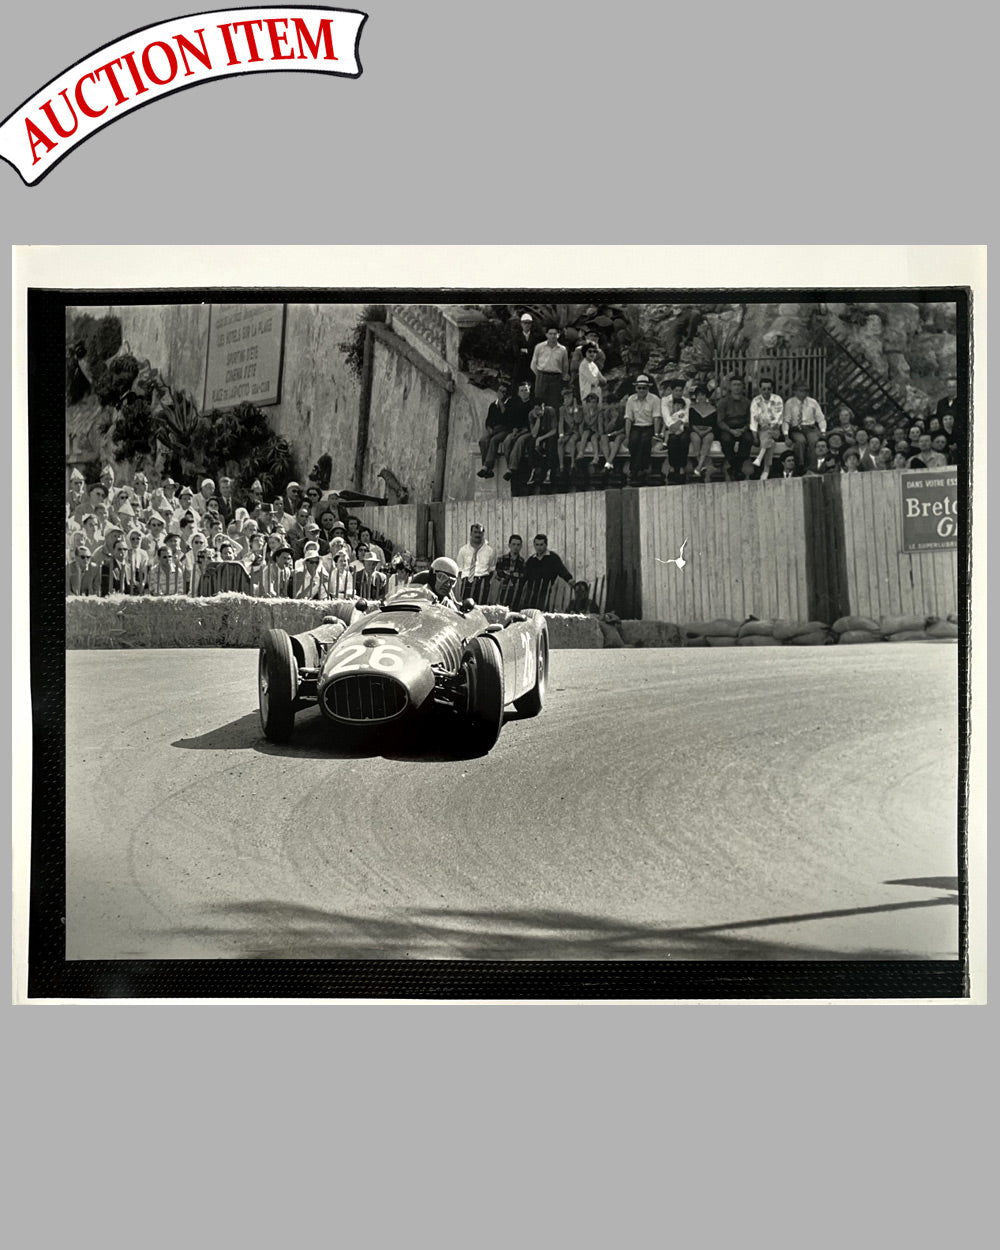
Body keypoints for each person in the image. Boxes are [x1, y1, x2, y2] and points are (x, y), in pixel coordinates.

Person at [520, 534, 573, 610]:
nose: (539, 547)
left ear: (546, 545)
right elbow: (525, 576)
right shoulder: (532, 560)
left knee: (543, 611)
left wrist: (569, 579)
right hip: (532, 592)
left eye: (541, 544)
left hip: (546, 591)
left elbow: (561, 570)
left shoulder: (553, 558)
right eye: (537, 545)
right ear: (534, 545)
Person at [623, 374, 659, 485]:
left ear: (648, 388)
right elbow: (628, 419)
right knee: (633, 442)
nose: (642, 390)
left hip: (649, 426)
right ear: (636, 388)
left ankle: (635, 471)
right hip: (636, 426)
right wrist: (627, 436)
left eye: (644, 388)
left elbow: (657, 418)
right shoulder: (631, 399)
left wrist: (656, 435)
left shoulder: (655, 399)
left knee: (644, 442)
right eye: (639, 388)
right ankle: (639, 470)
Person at [783, 379, 826, 469]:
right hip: (796, 429)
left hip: (810, 428)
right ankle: (800, 466)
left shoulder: (813, 402)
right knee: (800, 441)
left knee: (814, 441)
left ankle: (812, 465)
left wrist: (823, 431)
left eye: (806, 391)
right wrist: (786, 436)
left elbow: (821, 418)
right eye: (801, 391)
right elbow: (786, 420)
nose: (803, 393)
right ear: (795, 391)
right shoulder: (789, 403)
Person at [715, 377, 753, 480]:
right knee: (726, 440)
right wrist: (731, 430)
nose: (737, 387)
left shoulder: (747, 402)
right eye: (734, 385)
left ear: (743, 387)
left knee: (748, 439)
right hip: (728, 428)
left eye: (739, 385)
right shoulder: (723, 402)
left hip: (742, 428)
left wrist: (743, 429)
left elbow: (750, 421)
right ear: (730, 387)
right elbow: (720, 421)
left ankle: (735, 466)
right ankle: (737, 468)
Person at [749, 376, 784, 479]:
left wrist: (770, 426)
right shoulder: (756, 401)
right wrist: (755, 436)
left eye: (769, 389)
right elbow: (754, 419)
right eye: (764, 389)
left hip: (775, 429)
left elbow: (778, 416)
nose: (766, 391)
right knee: (771, 443)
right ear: (760, 389)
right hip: (762, 430)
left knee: (768, 434)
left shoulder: (777, 399)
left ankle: (760, 457)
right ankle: (766, 469)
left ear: (772, 389)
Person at [477, 380, 514, 479]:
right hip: (493, 429)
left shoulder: (510, 404)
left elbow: (507, 420)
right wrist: (489, 429)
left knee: (494, 440)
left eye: (504, 392)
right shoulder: (493, 405)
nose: (502, 393)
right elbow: (488, 420)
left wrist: (502, 405)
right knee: (483, 440)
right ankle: (486, 468)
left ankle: (487, 466)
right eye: (500, 391)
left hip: (504, 429)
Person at [530, 325, 570, 416]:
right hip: (542, 376)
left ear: (558, 335)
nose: (552, 336)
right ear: (546, 335)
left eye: (555, 334)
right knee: (539, 401)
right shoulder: (539, 347)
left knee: (553, 402)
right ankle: (539, 424)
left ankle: (552, 426)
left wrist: (563, 376)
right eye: (550, 334)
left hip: (556, 378)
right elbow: (533, 364)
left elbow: (565, 365)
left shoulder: (563, 349)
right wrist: (540, 375)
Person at [659, 378, 692, 483]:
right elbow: (666, 415)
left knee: (684, 439)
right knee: (672, 440)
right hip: (670, 426)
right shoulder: (665, 401)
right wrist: (672, 425)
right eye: (676, 390)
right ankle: (673, 467)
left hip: (682, 425)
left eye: (680, 391)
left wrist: (679, 423)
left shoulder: (686, 401)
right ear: (672, 390)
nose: (678, 393)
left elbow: (686, 415)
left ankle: (682, 467)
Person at [455, 522, 497, 602]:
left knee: (481, 606)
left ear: (483, 534)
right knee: (466, 605)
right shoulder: (463, 550)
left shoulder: (489, 551)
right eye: (475, 532)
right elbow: (459, 569)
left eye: (480, 532)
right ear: (471, 533)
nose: (477, 535)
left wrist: (487, 581)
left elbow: (492, 569)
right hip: (468, 581)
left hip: (483, 581)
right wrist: (467, 579)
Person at [524, 394, 560, 486]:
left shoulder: (551, 411)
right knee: (531, 442)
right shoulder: (531, 415)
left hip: (549, 434)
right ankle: (534, 470)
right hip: (539, 435)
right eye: (536, 409)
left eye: (540, 409)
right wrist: (538, 419)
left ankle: (550, 471)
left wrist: (540, 439)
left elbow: (554, 430)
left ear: (543, 406)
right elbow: (534, 433)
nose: (538, 411)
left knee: (552, 443)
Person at [687, 385, 718, 480]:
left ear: (706, 396)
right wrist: (698, 431)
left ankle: (699, 466)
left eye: (703, 395)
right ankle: (702, 465)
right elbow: (691, 423)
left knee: (708, 438)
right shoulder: (692, 408)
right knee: (695, 438)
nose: (700, 397)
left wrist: (705, 432)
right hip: (695, 430)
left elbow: (714, 425)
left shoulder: (713, 409)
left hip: (708, 431)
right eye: (698, 395)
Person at [510, 311, 544, 391]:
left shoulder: (536, 337)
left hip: (532, 366)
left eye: (529, 323)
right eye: (525, 323)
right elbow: (516, 352)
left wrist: (526, 350)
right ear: (521, 324)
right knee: (517, 387)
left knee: (532, 387)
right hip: (520, 366)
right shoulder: (516, 336)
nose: (527, 325)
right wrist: (528, 351)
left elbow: (536, 351)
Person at [494, 533, 528, 607]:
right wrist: (514, 575)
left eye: (518, 545)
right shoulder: (502, 559)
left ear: (521, 546)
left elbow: (523, 576)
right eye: (514, 544)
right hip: (502, 590)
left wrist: (508, 573)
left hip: (516, 591)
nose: (516, 547)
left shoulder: (522, 562)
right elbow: (499, 574)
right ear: (509, 545)